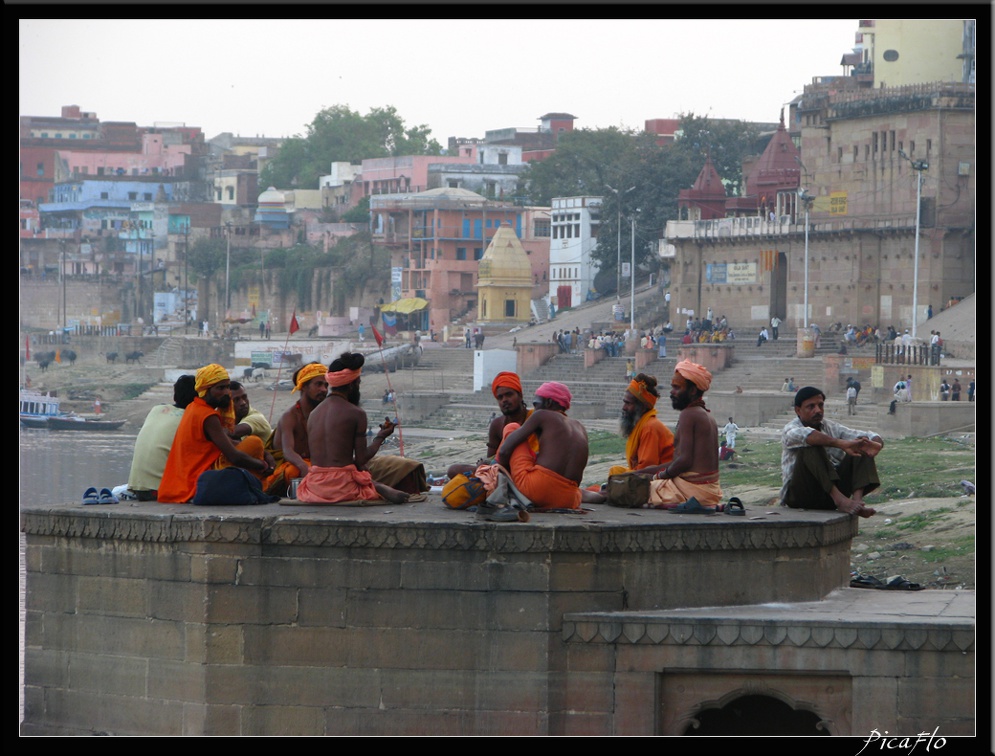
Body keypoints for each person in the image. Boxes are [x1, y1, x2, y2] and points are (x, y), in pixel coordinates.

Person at [296, 353, 415, 504]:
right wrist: (381, 437)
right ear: (352, 385)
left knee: (363, 473)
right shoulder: (356, 413)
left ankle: (377, 486)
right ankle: (378, 487)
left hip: (314, 485)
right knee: (376, 473)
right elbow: (361, 458)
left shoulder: (314, 413)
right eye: (358, 383)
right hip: (341, 486)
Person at [157, 364, 273, 503]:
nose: (226, 392)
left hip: (180, 485)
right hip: (196, 485)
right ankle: (261, 488)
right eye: (220, 388)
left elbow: (229, 442)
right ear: (206, 391)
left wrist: (266, 454)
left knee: (251, 446)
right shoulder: (208, 416)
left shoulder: (192, 407)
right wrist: (263, 465)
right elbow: (234, 456)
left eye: (227, 387)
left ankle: (257, 488)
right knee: (254, 442)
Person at [496, 382, 603, 509]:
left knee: (512, 427)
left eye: (536, 404)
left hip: (537, 490)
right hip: (569, 499)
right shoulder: (580, 427)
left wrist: (497, 470)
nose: (534, 409)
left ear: (549, 403)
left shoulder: (541, 415)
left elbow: (504, 451)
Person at [780, 386, 882, 518]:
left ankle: (856, 502)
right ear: (798, 410)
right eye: (811, 407)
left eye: (820, 405)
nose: (818, 410)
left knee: (862, 443)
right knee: (811, 445)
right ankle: (840, 500)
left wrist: (876, 444)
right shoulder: (790, 429)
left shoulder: (831, 427)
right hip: (800, 495)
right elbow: (808, 436)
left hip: (827, 496)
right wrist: (841, 443)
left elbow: (869, 434)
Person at [646, 360, 722, 510]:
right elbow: (678, 462)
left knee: (628, 491)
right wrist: (642, 472)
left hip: (693, 490)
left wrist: (657, 477)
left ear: (693, 391)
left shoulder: (689, 414)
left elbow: (684, 461)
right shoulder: (706, 415)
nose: (671, 392)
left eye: (676, 387)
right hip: (709, 491)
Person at [446, 371, 535, 480]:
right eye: (500, 397)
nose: (504, 400)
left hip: (528, 469)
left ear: (520, 396)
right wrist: (484, 464)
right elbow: (491, 459)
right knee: (453, 470)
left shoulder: (534, 419)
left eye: (509, 394)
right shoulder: (497, 425)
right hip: (500, 471)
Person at [127, 375, 197, 501]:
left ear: (175, 397)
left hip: (138, 489)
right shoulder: (191, 419)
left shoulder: (156, 410)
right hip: (160, 491)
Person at [263, 363, 328, 496]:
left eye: (326, 385)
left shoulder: (323, 414)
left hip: (313, 465)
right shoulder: (290, 416)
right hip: (290, 466)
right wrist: (304, 467)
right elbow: (288, 452)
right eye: (319, 384)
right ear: (304, 386)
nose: (324, 390)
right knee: (293, 471)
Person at [607, 374, 675, 477]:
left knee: (615, 479)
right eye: (624, 402)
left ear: (642, 407)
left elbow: (645, 471)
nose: (624, 407)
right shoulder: (642, 424)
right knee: (615, 471)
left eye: (628, 403)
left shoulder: (650, 427)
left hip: (664, 479)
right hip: (648, 474)